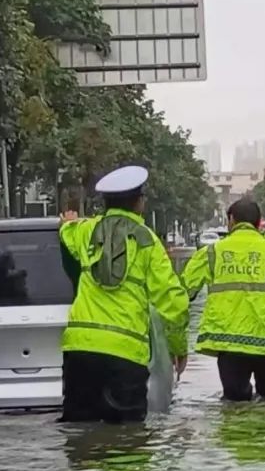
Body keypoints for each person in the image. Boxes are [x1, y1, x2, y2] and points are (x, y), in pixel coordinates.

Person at [58, 165, 190, 423]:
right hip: (125, 356)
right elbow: (173, 303)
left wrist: (68, 222)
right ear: (139, 203)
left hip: (79, 351)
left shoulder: (85, 231)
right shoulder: (148, 243)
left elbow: (66, 233)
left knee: (79, 440)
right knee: (129, 446)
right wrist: (178, 347)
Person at [180, 198, 265, 402]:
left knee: (233, 404)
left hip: (229, 345)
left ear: (231, 220)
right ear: (258, 223)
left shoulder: (211, 253)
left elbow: (182, 294)